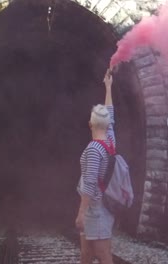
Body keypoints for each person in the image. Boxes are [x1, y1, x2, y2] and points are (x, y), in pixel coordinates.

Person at [76, 70, 115, 264]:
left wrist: (81, 213)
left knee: (102, 253)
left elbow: (89, 183)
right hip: (100, 206)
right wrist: (108, 87)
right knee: (86, 254)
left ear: (91, 124)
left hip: (95, 209)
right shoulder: (110, 139)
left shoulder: (93, 149)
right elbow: (111, 115)